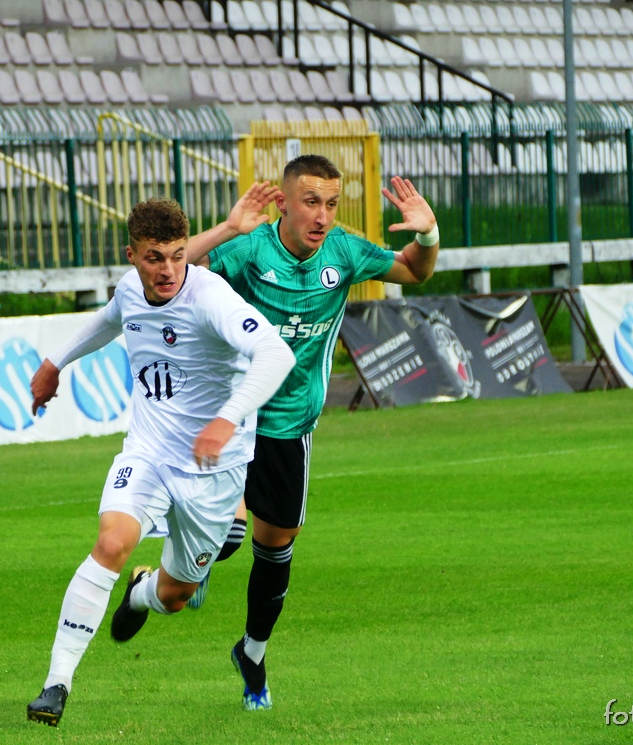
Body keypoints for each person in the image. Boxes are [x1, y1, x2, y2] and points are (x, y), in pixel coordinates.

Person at [24, 197, 295, 727]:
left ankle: (142, 594)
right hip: (149, 453)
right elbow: (108, 320)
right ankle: (56, 684)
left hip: (215, 469)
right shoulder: (131, 289)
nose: (167, 269)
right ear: (132, 255)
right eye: (154, 258)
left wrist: (228, 416)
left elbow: (277, 355)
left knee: (175, 595)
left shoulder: (209, 296)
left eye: (176, 255)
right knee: (110, 542)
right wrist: (56, 363)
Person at [185, 155, 439, 711]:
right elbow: (176, 271)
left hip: (291, 426)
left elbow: (415, 271)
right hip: (233, 418)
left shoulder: (345, 252)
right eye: (310, 202)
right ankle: (191, 558)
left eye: (331, 203)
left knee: (274, 554)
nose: (322, 215)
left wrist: (429, 233)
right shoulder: (251, 249)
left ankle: (252, 653)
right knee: (226, 541)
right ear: (284, 201)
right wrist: (229, 228)